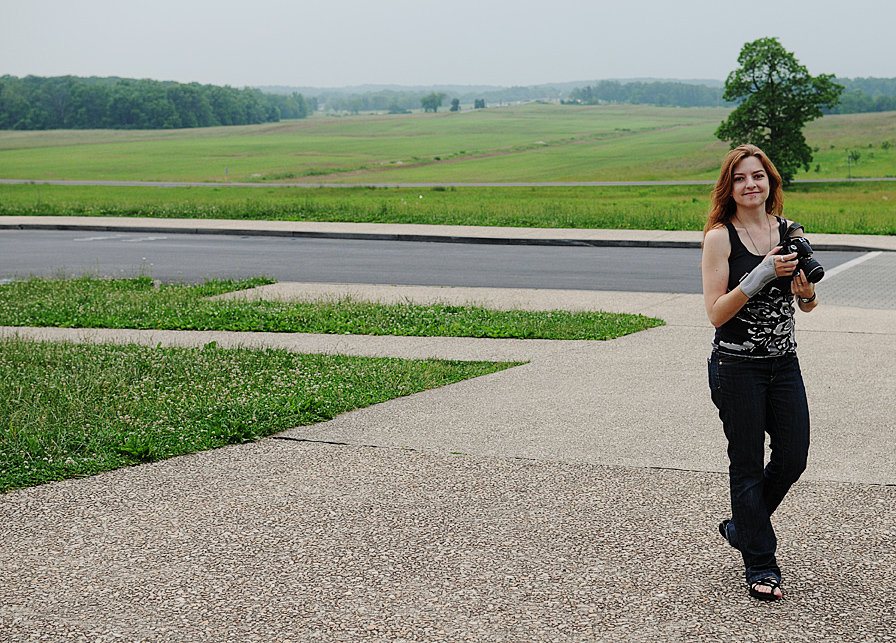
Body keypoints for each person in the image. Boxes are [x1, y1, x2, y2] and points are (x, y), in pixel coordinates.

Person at [701, 144, 818, 601]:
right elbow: (716, 313)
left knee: (793, 457)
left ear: (771, 181)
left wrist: (806, 294)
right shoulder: (720, 238)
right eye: (740, 178)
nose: (750, 184)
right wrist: (761, 273)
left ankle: (742, 527)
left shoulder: (789, 231)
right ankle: (761, 565)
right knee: (747, 464)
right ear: (729, 188)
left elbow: (806, 306)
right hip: (736, 367)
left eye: (758, 176)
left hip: (783, 363)